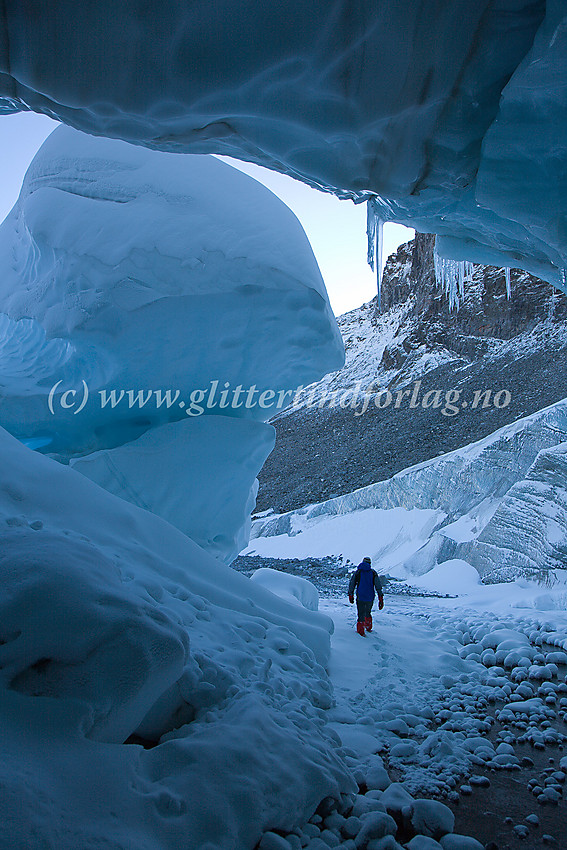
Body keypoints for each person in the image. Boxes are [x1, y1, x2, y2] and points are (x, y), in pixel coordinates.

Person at [348, 556, 384, 636]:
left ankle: (361, 631)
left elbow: (352, 584)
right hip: (370, 597)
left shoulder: (358, 572)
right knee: (368, 612)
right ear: (370, 563)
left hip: (360, 596)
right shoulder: (373, 573)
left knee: (360, 613)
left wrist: (351, 594)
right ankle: (368, 627)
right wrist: (380, 597)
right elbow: (378, 586)